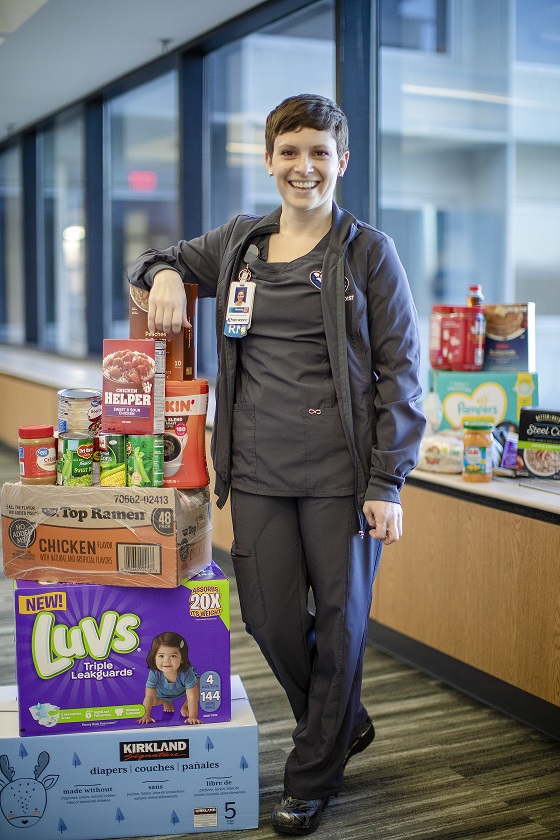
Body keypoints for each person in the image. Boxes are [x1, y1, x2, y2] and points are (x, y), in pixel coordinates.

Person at [127, 93, 425, 835]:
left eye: (320, 152)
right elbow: (150, 261)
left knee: (343, 623)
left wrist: (389, 480)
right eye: (290, 152)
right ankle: (343, 718)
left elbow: (403, 372)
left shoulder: (367, 252)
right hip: (255, 470)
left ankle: (310, 778)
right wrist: (167, 273)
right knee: (267, 620)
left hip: (342, 477)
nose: (304, 166)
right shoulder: (238, 243)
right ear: (269, 161)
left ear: (341, 162)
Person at [137, 631, 201, 725]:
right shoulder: (154, 673)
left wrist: (192, 717)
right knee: (152, 701)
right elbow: (149, 696)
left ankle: (185, 706)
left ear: (182, 658)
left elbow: (192, 696)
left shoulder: (187, 672)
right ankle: (167, 701)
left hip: (184, 692)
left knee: (197, 690)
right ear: (154, 658)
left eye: (173, 656)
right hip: (163, 694)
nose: (166, 660)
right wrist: (146, 715)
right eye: (161, 656)